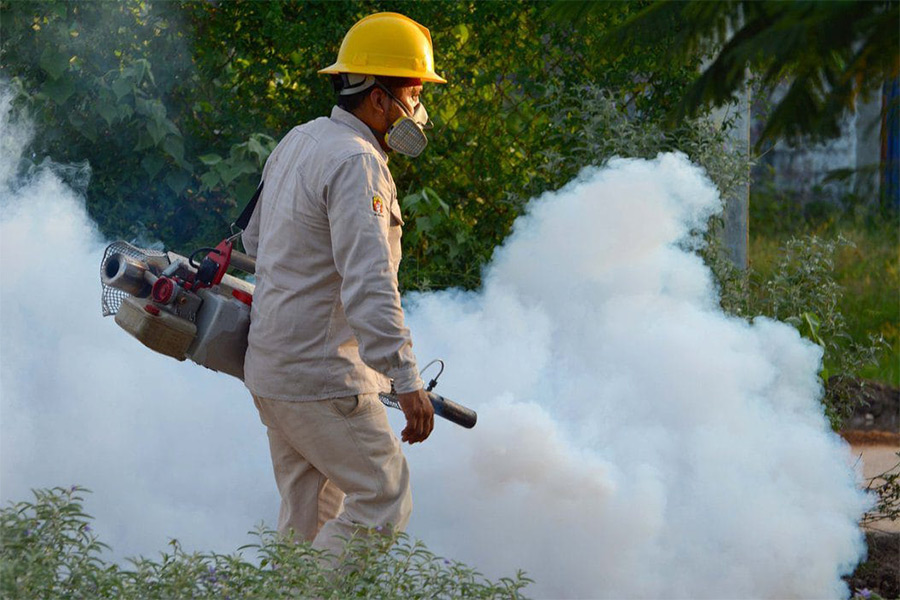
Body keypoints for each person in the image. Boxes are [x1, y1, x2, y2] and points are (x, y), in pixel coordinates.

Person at [240, 12, 446, 560]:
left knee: (308, 524)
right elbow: (370, 285)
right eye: (413, 90)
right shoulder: (358, 163)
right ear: (378, 98)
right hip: (322, 379)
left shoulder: (301, 139)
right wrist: (406, 379)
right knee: (384, 498)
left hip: (272, 370)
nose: (419, 107)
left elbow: (255, 244)